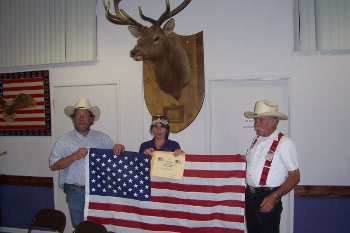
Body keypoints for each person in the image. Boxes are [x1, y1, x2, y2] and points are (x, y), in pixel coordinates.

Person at [49, 97, 125, 228]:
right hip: (76, 193)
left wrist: (119, 147)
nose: (81, 118)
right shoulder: (64, 140)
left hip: (98, 191)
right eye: (78, 115)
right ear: (73, 118)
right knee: (80, 228)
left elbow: (115, 155)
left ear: (91, 119)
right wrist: (74, 156)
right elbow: (54, 165)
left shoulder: (102, 138)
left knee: (98, 227)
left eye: (85, 115)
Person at [243, 100, 300, 233]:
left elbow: (295, 176)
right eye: (255, 120)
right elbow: (255, 164)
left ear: (274, 121)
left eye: (260, 120)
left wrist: (275, 196)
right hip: (250, 196)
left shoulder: (285, 143)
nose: (256, 124)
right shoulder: (256, 140)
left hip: (268, 196)